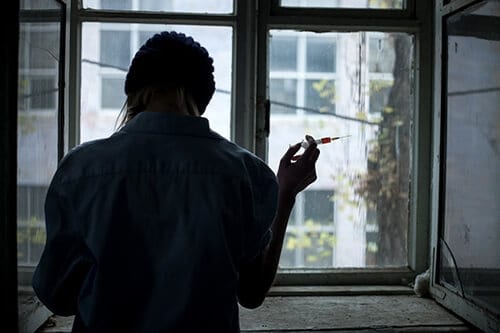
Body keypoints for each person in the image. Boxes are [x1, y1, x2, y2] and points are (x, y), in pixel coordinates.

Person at [33, 31, 320, 332]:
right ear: (202, 97)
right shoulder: (245, 173)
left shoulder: (81, 169)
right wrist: (286, 192)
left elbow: (58, 297)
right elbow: (251, 293)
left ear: (135, 91)